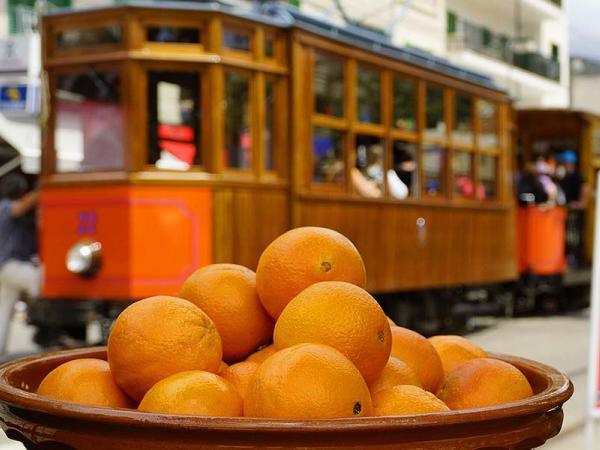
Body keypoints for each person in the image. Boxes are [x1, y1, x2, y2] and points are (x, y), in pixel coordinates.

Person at [0, 174, 39, 354]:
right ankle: (41, 321)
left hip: (6, 268)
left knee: (3, 310)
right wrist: (41, 190)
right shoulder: (5, 207)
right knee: (42, 281)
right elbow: (20, 208)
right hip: (10, 265)